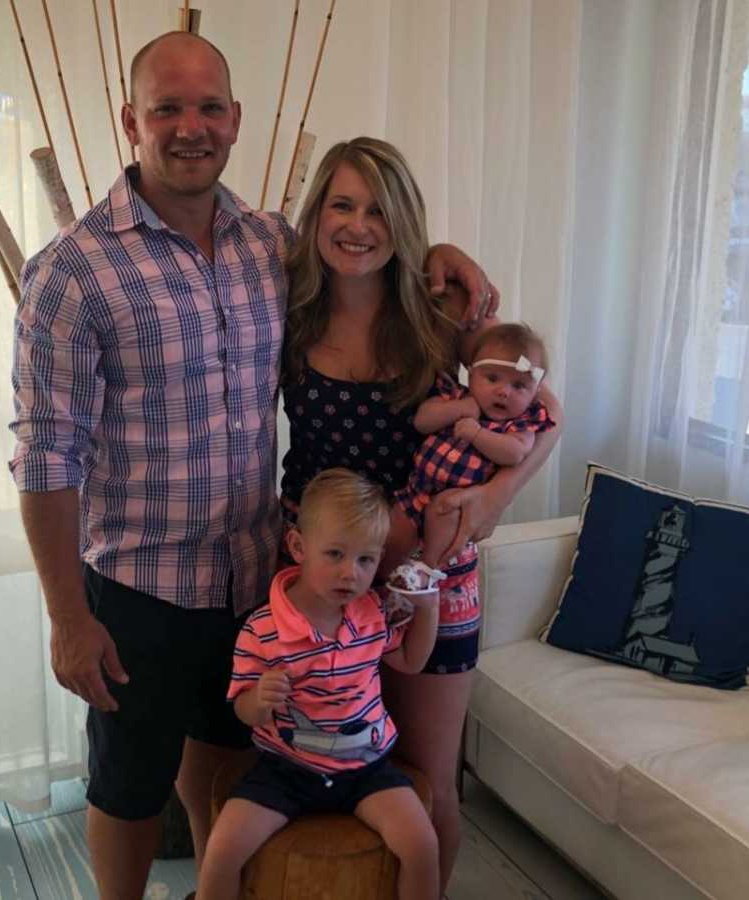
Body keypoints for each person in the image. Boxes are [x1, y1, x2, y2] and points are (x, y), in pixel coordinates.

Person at [9, 32, 496, 900]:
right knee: (127, 784)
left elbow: (367, 251)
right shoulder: (73, 272)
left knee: (226, 763)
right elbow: (46, 454)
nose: (189, 127)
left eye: (208, 108)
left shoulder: (269, 245)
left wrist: (439, 257)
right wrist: (67, 616)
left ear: (235, 121)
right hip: (140, 586)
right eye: (167, 108)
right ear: (132, 120)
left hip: (254, 573)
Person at [279, 136, 563, 891]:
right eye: (341, 204)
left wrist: (496, 498)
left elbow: (548, 414)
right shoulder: (290, 312)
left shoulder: (441, 326)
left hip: (428, 572)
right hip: (319, 574)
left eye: (380, 209)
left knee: (429, 777)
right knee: (320, 763)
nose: (358, 225)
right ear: (316, 216)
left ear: (405, 222)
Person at [198, 468, 441, 900]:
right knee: (221, 850)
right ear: (298, 547)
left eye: (366, 560)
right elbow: (241, 707)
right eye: (334, 554)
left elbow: (410, 659)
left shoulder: (372, 613)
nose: (350, 573)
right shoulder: (264, 627)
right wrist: (260, 699)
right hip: (284, 771)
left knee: (421, 844)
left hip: (365, 770)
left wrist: (429, 608)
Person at [389, 322, 556, 570]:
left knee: (444, 512)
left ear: (534, 394)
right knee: (390, 540)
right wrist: (456, 410)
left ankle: (428, 568)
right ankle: (391, 578)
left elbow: (515, 453)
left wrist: (478, 434)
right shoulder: (457, 397)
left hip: (457, 502)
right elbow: (422, 421)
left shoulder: (521, 424)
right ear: (472, 375)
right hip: (416, 488)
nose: (503, 392)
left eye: (519, 386)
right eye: (492, 378)